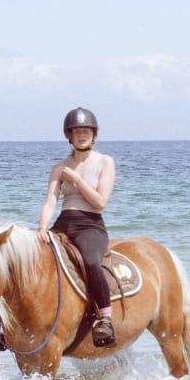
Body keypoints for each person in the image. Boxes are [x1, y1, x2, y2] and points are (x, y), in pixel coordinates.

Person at [38, 107, 119, 347]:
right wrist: (42, 228)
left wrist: (77, 180)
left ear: (94, 134)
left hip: (90, 224)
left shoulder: (105, 162)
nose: (81, 135)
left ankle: (104, 318)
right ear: (69, 136)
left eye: (86, 131)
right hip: (63, 222)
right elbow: (51, 200)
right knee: (33, 258)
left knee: (91, 262)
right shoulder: (59, 168)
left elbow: (100, 202)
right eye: (76, 131)